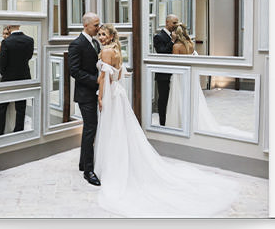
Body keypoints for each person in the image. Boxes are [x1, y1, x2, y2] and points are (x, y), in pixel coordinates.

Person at [92, 24, 240, 216]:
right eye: (100, 34)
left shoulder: (105, 52)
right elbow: (121, 74)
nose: (101, 37)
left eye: (104, 34)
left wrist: (100, 97)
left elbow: (104, 78)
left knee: (113, 130)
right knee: (120, 129)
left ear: (111, 35)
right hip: (119, 94)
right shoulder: (117, 50)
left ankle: (113, 168)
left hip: (111, 95)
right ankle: (120, 163)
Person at [67, 12, 103, 186]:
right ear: (86, 25)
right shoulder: (76, 44)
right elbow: (74, 71)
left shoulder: (95, 42)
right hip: (85, 94)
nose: (98, 28)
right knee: (90, 129)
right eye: (96, 25)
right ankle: (88, 171)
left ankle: (83, 163)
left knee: (91, 129)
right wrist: (95, 80)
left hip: (96, 92)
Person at [0, 24, 36, 136]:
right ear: (19, 26)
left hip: (8, 78)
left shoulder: (6, 42)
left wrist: (2, 74)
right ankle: (19, 131)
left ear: (9, 27)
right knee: (21, 107)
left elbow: (2, 64)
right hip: (24, 77)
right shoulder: (29, 40)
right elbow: (29, 56)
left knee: (2, 106)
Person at [152, 14, 178, 125]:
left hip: (174, 73)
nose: (176, 25)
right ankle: (162, 123)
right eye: (174, 23)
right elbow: (162, 52)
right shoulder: (158, 37)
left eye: (177, 22)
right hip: (163, 74)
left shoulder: (176, 35)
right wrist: (172, 42)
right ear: (167, 22)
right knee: (163, 99)